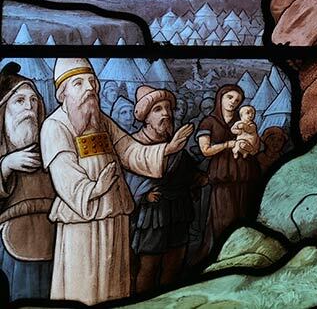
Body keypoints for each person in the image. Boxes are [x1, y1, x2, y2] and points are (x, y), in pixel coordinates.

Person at [40, 58, 194, 305]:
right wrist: (94, 189)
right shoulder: (54, 126)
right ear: (62, 93)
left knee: (114, 282)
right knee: (84, 284)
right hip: (81, 219)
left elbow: (130, 150)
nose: (89, 88)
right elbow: (63, 173)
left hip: (114, 213)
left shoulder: (100, 120)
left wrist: (166, 149)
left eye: (92, 82)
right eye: (78, 83)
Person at [127, 86, 197, 294]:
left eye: (167, 108)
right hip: (151, 215)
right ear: (145, 117)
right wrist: (142, 195)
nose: (166, 113)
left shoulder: (175, 144)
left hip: (177, 210)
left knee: (174, 265)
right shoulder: (134, 145)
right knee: (149, 266)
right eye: (158, 109)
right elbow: (126, 181)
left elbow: (186, 173)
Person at [0, 63, 55, 301]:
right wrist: (6, 165)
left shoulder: (49, 146)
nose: (29, 108)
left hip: (54, 241)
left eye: (33, 101)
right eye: (20, 101)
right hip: (13, 243)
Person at [196, 85, 261, 256]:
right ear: (220, 98)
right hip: (222, 177)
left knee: (244, 217)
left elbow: (254, 147)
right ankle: (219, 255)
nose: (233, 102)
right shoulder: (209, 122)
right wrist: (228, 145)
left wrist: (252, 144)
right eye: (230, 97)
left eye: (237, 100)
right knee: (223, 220)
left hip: (245, 176)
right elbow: (206, 150)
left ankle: (241, 254)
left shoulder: (243, 123)